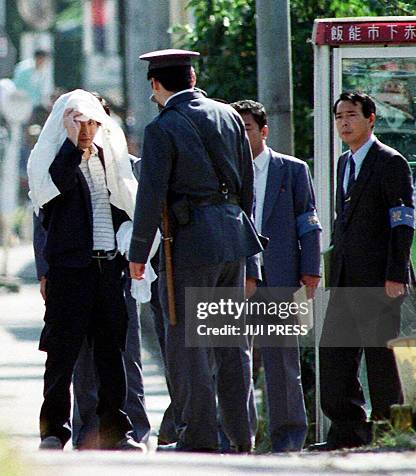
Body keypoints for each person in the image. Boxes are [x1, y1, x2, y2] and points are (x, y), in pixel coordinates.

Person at [128, 49, 263, 452]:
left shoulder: (162, 128)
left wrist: (137, 254)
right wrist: (250, 249)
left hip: (188, 246)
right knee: (231, 344)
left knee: (189, 345)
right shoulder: (229, 116)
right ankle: (242, 437)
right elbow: (247, 188)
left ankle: (199, 437)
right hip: (234, 240)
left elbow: (150, 197)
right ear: (193, 77)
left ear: (156, 84)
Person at [27, 89, 145, 452]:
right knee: (61, 357)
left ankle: (116, 430)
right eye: (79, 122)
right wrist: (72, 146)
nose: (87, 129)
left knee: (112, 354)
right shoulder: (52, 159)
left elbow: (126, 203)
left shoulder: (111, 158)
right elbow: (51, 193)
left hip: (108, 267)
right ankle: (54, 431)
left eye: (93, 122)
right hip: (70, 270)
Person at [314, 91, 414, 450]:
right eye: (339, 116)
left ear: (371, 119)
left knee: (380, 360)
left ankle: (390, 433)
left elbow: (402, 221)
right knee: (335, 356)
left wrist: (395, 273)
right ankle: (347, 431)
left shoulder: (389, 161)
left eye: (352, 115)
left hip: (379, 279)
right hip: (345, 278)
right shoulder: (344, 162)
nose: (344, 122)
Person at [232, 100, 321, 452]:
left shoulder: (291, 169)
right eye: (236, 130)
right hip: (237, 279)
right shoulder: (227, 171)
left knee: (282, 363)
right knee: (234, 362)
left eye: (248, 129)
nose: (242, 136)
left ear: (264, 131)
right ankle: (239, 438)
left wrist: (311, 271)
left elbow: (308, 221)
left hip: (282, 276)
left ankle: (289, 439)